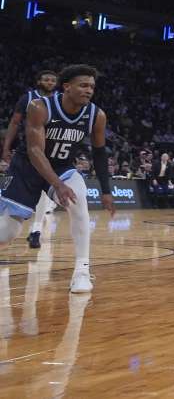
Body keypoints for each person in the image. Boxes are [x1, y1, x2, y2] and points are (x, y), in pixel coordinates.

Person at [0, 65, 114, 293]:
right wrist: (57, 184)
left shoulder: (96, 115)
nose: (89, 90)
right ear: (67, 87)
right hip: (27, 167)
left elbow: (100, 153)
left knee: (78, 200)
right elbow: (34, 151)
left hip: (62, 167)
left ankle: (82, 271)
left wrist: (106, 190)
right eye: (83, 85)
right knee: (7, 233)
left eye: (92, 86)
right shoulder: (39, 107)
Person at [4, 70, 59, 249]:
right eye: (46, 79)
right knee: (8, 195)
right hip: (27, 153)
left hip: (50, 154)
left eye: (53, 80)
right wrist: (6, 147)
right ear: (39, 81)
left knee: (44, 195)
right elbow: (14, 122)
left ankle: (36, 231)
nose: (50, 82)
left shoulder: (60, 101)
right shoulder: (27, 98)